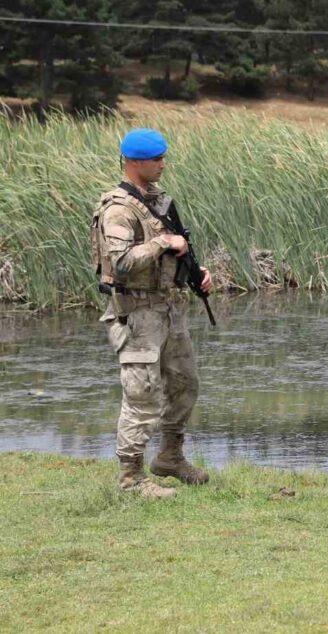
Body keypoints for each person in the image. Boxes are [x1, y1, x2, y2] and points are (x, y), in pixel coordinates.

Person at [91, 128, 213, 499]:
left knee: (184, 385)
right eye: (156, 159)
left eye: (163, 157)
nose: (163, 164)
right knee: (141, 395)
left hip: (168, 308)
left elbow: (174, 251)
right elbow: (122, 262)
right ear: (135, 162)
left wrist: (195, 273)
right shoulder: (118, 209)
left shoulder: (157, 201)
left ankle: (171, 458)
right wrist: (163, 242)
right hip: (136, 312)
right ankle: (131, 478)